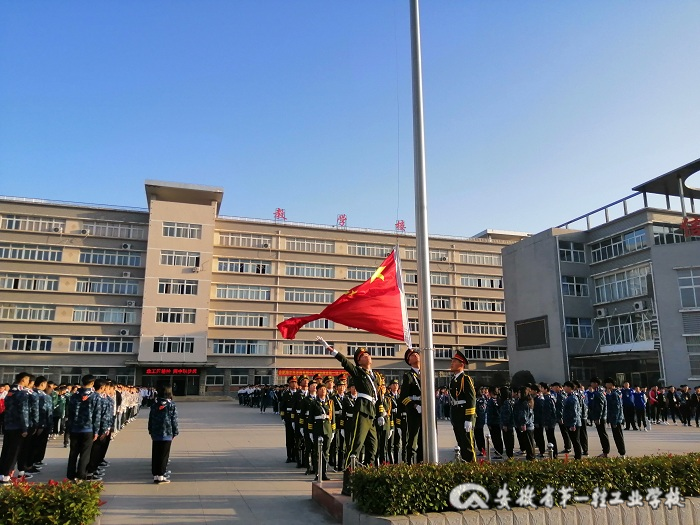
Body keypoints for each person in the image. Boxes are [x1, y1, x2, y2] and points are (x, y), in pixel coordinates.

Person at [316, 336, 384, 496]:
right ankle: (347, 484)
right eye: (362, 356)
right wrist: (331, 350)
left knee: (373, 448)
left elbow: (379, 396)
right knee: (355, 446)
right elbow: (345, 362)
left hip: (372, 413)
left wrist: (381, 413)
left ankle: (366, 480)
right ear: (359, 361)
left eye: (367, 354)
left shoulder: (376, 376)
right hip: (362, 411)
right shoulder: (358, 372)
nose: (367, 356)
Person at [66, 375, 104, 481]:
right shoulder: (95, 396)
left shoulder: (74, 395)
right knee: (85, 453)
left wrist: (69, 427)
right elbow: (97, 415)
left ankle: (70, 474)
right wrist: (96, 431)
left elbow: (70, 412)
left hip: (74, 428)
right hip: (88, 429)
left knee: (73, 452)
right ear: (92, 383)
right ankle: (81, 474)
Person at [0, 372, 32, 483]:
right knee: (14, 452)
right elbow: (23, 412)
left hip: (8, 425)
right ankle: (7, 476)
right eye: (27, 380)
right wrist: (25, 428)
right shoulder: (22, 393)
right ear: (23, 380)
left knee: (6, 451)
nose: (28, 382)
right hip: (17, 426)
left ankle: (2, 473)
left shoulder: (9, 392)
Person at [448, 350, 476, 462]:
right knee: (460, 443)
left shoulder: (466, 379)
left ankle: (472, 466)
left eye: (454, 361)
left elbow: (471, 399)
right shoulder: (453, 380)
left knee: (468, 445)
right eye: (452, 361)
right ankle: (464, 465)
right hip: (457, 415)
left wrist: (469, 419)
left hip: (464, 415)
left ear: (461, 364)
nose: (452, 363)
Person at [148, 385, 178, 484]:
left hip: (156, 432)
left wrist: (150, 430)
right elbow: (174, 420)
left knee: (156, 454)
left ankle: (156, 475)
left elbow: (150, 418)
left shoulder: (154, 404)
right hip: (167, 432)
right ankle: (161, 475)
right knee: (164, 455)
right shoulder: (171, 405)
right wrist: (175, 432)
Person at [399, 348, 423, 465]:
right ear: (409, 361)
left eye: (417, 354)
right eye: (412, 355)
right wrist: (415, 406)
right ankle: (409, 463)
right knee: (413, 438)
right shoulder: (408, 376)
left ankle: (421, 462)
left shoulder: (425, 372)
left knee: (423, 439)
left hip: (425, 408)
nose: (416, 355)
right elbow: (403, 397)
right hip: (414, 410)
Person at [309, 381, 335, 481]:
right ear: (317, 391)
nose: (323, 391)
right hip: (317, 429)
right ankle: (317, 473)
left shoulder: (330, 403)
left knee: (326, 452)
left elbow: (333, 417)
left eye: (324, 389)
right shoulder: (314, 403)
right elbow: (310, 418)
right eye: (320, 389)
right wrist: (310, 431)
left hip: (327, 429)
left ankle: (324, 473)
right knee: (317, 452)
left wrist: (333, 430)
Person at [604, 377, 626, 457]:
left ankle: (622, 453)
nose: (606, 385)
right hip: (616, 418)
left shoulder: (614, 394)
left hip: (616, 419)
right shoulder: (616, 392)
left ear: (611, 384)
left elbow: (616, 408)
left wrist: (615, 420)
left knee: (618, 436)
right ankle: (622, 452)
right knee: (617, 436)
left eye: (607, 383)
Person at [589, 377, 610, 458]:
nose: (591, 384)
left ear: (596, 384)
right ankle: (605, 451)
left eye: (592, 383)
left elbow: (600, 407)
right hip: (601, 416)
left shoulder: (598, 393)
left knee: (603, 435)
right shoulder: (599, 392)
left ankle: (605, 452)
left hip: (600, 418)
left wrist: (598, 418)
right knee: (602, 434)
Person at [279, 376, 298, 463]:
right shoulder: (286, 394)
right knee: (289, 438)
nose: (294, 384)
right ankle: (289, 456)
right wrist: (283, 417)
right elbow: (282, 407)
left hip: (297, 418)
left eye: (295, 382)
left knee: (297, 438)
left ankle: (296, 456)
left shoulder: (299, 393)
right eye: (292, 382)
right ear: (289, 384)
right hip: (288, 417)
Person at [562, 381, 582, 460]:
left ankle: (578, 456)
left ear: (569, 387)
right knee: (574, 440)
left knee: (575, 440)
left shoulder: (572, 398)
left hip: (573, 423)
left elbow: (574, 412)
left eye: (565, 386)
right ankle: (577, 455)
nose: (564, 388)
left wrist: (573, 424)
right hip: (570, 422)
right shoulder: (569, 397)